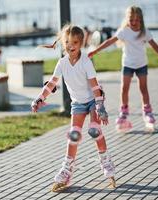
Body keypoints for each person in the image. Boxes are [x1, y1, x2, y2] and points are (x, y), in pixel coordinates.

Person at [31, 24, 116, 192]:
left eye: (75, 42)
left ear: (81, 44)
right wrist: (40, 98)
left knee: (94, 130)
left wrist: (100, 107)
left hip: (93, 100)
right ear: (64, 43)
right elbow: (52, 83)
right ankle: (67, 169)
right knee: (74, 135)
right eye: (68, 42)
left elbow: (94, 86)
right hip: (77, 103)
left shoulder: (86, 62)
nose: (71, 46)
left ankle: (106, 161)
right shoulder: (62, 63)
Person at [88, 5, 158, 133]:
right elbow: (110, 41)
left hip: (141, 64)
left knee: (143, 89)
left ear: (141, 20)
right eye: (131, 20)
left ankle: (148, 112)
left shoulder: (144, 32)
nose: (133, 23)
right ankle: (123, 113)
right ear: (127, 20)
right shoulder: (124, 31)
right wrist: (96, 50)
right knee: (124, 89)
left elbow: (154, 45)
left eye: (136, 20)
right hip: (127, 64)